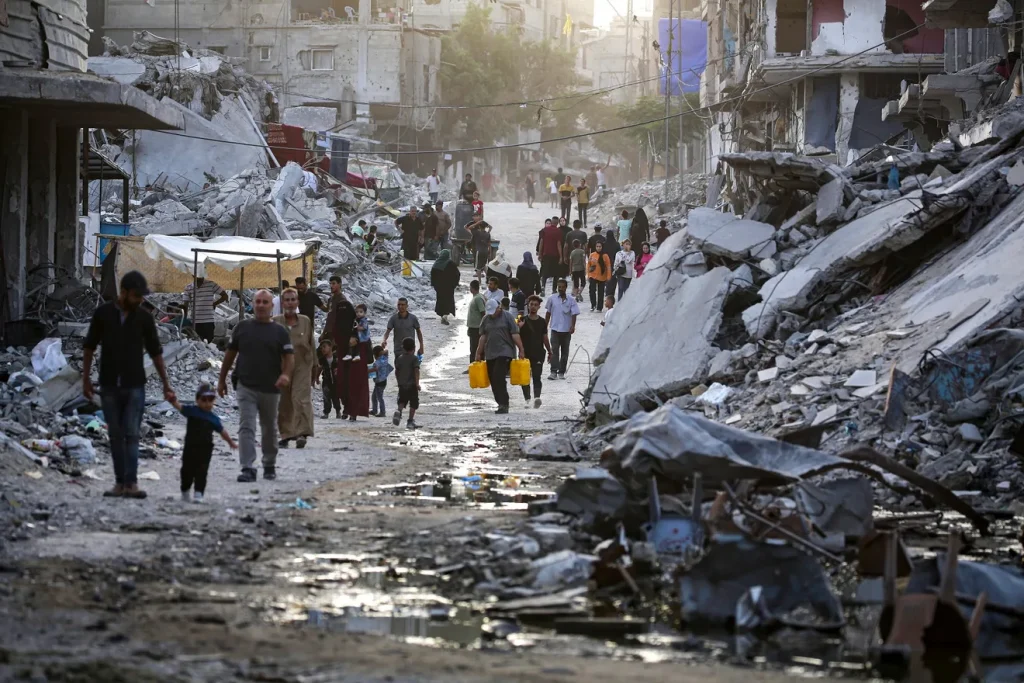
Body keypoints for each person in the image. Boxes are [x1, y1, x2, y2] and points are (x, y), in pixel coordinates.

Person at [83, 271, 176, 499]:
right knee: (115, 435)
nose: (140, 301)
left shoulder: (143, 318)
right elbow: (89, 346)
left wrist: (166, 384)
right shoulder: (103, 314)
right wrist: (85, 379)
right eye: (136, 296)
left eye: (141, 297)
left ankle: (131, 483)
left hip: (135, 384)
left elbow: (156, 352)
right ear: (123, 293)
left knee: (132, 434)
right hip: (108, 385)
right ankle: (119, 483)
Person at [218, 289, 294, 483]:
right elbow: (230, 355)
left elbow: (289, 357)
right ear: (253, 304)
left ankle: (269, 463)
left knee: (268, 428)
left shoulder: (280, 331)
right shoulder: (243, 328)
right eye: (258, 302)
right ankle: (248, 467)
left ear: (271, 306)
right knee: (247, 426)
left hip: (271, 387)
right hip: (246, 386)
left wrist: (285, 374)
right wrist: (221, 379)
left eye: (265, 302)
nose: (260, 305)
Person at [172, 383, 236, 502]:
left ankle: (198, 493)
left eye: (210, 400)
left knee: (202, 471)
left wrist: (230, 442)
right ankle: (185, 490)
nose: (207, 403)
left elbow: (222, 431)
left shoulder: (213, 418)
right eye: (204, 400)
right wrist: (172, 399)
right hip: (190, 448)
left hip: (205, 449)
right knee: (187, 470)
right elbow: (179, 407)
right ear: (197, 400)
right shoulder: (192, 411)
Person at [274, 288, 315, 449]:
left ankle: (302, 433)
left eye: (293, 299)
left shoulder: (305, 321)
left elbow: (311, 344)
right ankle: (286, 434)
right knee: (284, 401)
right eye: (287, 300)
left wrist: (316, 368)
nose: (290, 303)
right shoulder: (275, 322)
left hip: (302, 365)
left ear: (297, 302)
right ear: (282, 303)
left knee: (300, 397)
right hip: (282, 365)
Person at [476, 298, 526, 415]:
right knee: (492, 378)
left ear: (499, 307)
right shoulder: (486, 319)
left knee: (498, 376)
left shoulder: (507, 316)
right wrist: (478, 352)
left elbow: (515, 334)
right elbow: (483, 336)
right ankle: (500, 402)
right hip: (490, 353)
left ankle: (504, 404)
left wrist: (521, 350)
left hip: (505, 351)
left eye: (495, 311)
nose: (493, 314)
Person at [517, 295, 551, 409]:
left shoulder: (542, 322)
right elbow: (514, 335)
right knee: (524, 377)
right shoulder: (521, 320)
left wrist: (550, 351)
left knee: (537, 376)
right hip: (524, 353)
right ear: (528, 305)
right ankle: (527, 399)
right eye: (531, 304)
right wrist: (519, 327)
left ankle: (537, 398)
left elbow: (545, 337)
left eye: (535, 305)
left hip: (538, 353)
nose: (533, 307)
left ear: (539, 307)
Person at [545, 278, 580, 380]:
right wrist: (545, 326)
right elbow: (548, 313)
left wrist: (573, 326)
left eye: (562, 287)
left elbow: (574, 314)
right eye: (559, 287)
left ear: (566, 288)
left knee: (565, 352)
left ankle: (561, 372)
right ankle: (553, 371)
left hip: (566, 330)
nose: (560, 288)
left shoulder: (571, 300)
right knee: (554, 351)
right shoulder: (552, 299)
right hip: (555, 329)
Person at [182, 277, 228, 343]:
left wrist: (214, 304)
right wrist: (184, 321)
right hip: (195, 322)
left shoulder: (211, 284)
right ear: (192, 275)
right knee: (197, 344)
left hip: (208, 321)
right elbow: (185, 306)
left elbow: (225, 296)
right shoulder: (188, 288)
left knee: (208, 345)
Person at [392, 337, 421, 428]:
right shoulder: (414, 359)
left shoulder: (399, 358)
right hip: (412, 385)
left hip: (402, 384)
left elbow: (397, 371)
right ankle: (410, 421)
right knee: (413, 403)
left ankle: (399, 411)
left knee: (402, 400)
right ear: (414, 348)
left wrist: (399, 381)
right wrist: (417, 384)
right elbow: (416, 371)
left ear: (403, 348)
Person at [340, 336, 369, 420]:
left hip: (355, 363)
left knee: (352, 386)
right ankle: (350, 411)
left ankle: (351, 411)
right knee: (350, 386)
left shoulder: (360, 336)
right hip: (353, 362)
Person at [430, 249, 460, 325]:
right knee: (448, 301)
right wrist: (455, 284)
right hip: (448, 287)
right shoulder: (451, 264)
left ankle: (442, 315)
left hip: (439, 287)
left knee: (441, 300)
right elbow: (457, 274)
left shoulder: (436, 264)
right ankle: (445, 316)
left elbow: (432, 276)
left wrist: (434, 285)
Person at [315, 338, 341, 419]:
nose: (323, 349)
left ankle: (338, 411)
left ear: (330, 347)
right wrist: (316, 378)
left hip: (336, 380)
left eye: (324, 347)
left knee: (335, 396)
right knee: (326, 397)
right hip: (326, 380)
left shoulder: (336, 357)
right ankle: (326, 412)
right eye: (321, 348)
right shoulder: (322, 359)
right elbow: (320, 369)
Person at [536, 218, 563, 294]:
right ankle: (554, 289)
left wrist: (540, 253)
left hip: (546, 254)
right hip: (555, 255)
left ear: (551, 222)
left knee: (545, 272)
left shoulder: (545, 230)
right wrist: (561, 256)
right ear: (557, 223)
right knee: (556, 274)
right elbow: (558, 244)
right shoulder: (558, 231)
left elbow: (541, 242)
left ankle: (543, 287)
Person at [466, 279, 486, 366]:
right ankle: (475, 365)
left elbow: (483, 312)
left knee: (475, 348)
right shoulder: (477, 297)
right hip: (473, 327)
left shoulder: (478, 298)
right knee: (474, 347)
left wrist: (483, 326)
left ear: (471, 288)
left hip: (477, 328)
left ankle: (475, 365)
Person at [369, 344, 393, 417]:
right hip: (383, 381)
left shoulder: (377, 362)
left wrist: (366, 371)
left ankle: (382, 412)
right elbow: (387, 351)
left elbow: (375, 369)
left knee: (379, 397)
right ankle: (374, 410)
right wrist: (381, 352)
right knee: (374, 397)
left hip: (379, 382)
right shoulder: (384, 358)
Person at [587, 240, 611, 312]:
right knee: (592, 291)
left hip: (602, 276)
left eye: (600, 246)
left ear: (602, 247)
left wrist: (608, 276)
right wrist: (588, 275)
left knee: (601, 292)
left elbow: (608, 266)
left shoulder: (605, 256)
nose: (598, 248)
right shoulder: (592, 255)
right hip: (593, 276)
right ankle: (593, 305)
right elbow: (588, 265)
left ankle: (599, 307)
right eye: (597, 246)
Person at [470, 213, 492, 278]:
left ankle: (479, 281)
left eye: (477, 216)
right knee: (483, 264)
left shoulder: (477, 231)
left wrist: (477, 223)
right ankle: (488, 278)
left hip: (478, 249)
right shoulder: (487, 234)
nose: (475, 217)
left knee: (479, 265)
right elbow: (489, 244)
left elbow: (469, 228)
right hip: (484, 249)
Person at [603, 228, 621, 299]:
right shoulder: (616, 244)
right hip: (614, 264)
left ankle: (607, 293)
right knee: (613, 280)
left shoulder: (604, 244)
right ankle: (611, 295)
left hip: (605, 264)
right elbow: (619, 254)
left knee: (606, 279)